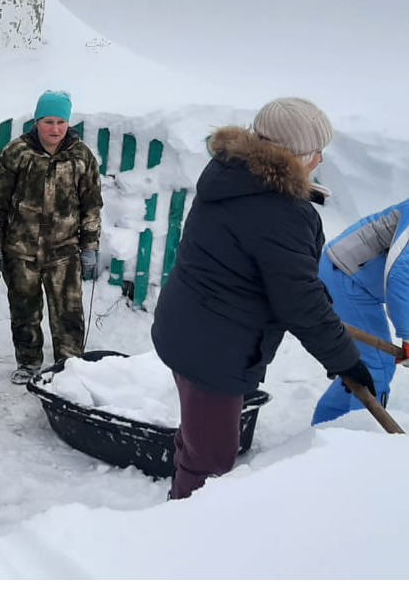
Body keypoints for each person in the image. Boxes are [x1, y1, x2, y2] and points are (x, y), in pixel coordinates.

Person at [151, 97, 376, 500]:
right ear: (291, 155)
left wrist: (322, 317)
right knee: (212, 464)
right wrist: (345, 361)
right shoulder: (279, 211)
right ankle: (183, 534)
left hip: (189, 327)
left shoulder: (232, 174)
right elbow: (298, 299)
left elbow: (282, 277)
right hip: (213, 350)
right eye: (314, 151)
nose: (320, 159)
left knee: (198, 440)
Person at [0, 90, 103, 385]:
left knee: (69, 314)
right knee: (24, 311)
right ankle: (29, 362)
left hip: (64, 251)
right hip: (20, 250)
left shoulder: (80, 156)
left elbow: (92, 204)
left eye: (61, 121)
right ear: (37, 121)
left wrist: (89, 247)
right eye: (48, 121)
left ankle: (70, 366)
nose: (55, 128)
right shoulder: (18, 153)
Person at [311, 199, 409, 424]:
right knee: (378, 366)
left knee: (366, 365)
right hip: (345, 278)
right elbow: (400, 275)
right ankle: (358, 440)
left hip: (352, 280)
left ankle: (327, 427)